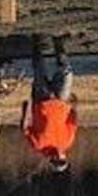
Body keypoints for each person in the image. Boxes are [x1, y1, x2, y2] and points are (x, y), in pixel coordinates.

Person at [21, 34, 77, 172]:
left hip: (41, 100)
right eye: (62, 160)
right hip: (61, 101)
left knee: (40, 69)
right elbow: (72, 122)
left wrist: (26, 109)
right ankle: (59, 45)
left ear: (51, 160)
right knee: (67, 72)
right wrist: (73, 106)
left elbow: (26, 128)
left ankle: (36, 43)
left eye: (57, 161)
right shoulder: (68, 141)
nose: (59, 157)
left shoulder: (38, 145)